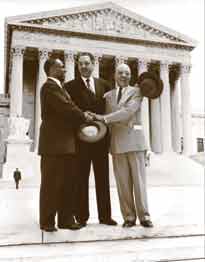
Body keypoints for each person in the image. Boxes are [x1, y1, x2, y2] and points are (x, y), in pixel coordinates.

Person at [91, 63, 153, 228]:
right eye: (120, 73)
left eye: (127, 73)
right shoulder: (108, 96)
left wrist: (103, 118)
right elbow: (105, 116)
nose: (123, 76)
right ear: (115, 75)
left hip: (135, 142)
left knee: (139, 183)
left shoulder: (137, 92)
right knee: (123, 184)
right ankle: (129, 217)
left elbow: (128, 112)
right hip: (117, 143)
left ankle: (144, 216)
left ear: (130, 76)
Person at [38, 57, 91, 232]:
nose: (65, 70)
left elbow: (70, 105)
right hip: (53, 145)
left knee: (68, 183)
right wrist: (84, 116)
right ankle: (47, 221)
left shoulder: (59, 88)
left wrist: (82, 114)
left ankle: (65, 219)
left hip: (67, 144)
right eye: (61, 67)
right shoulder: (48, 87)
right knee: (51, 184)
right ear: (52, 69)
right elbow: (66, 108)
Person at [64, 52, 117, 227]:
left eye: (87, 63)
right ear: (77, 66)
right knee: (81, 178)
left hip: (101, 140)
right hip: (81, 140)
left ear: (93, 64)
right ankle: (82, 217)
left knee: (103, 178)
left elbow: (110, 112)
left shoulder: (105, 85)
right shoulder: (70, 86)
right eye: (81, 64)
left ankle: (105, 216)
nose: (84, 66)